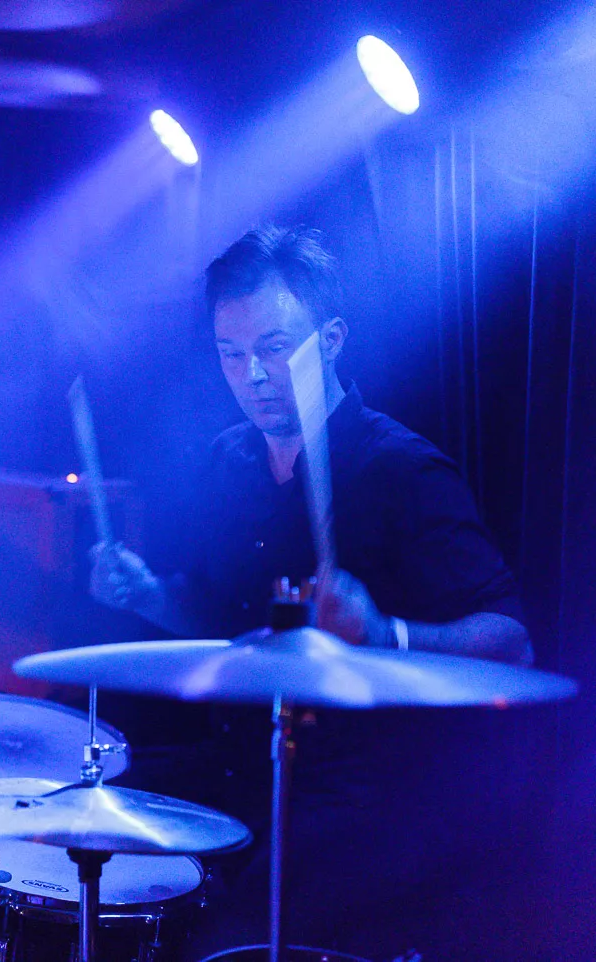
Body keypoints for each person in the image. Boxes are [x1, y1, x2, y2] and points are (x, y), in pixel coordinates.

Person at [89, 226, 546, 960]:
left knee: (224, 942)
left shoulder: (402, 471)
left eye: (274, 348)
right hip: (242, 765)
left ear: (331, 340)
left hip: (368, 795)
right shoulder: (229, 461)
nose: (252, 376)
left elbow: (512, 641)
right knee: (83, 827)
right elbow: (222, 616)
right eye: (230, 354)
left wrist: (385, 633)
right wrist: (149, 597)